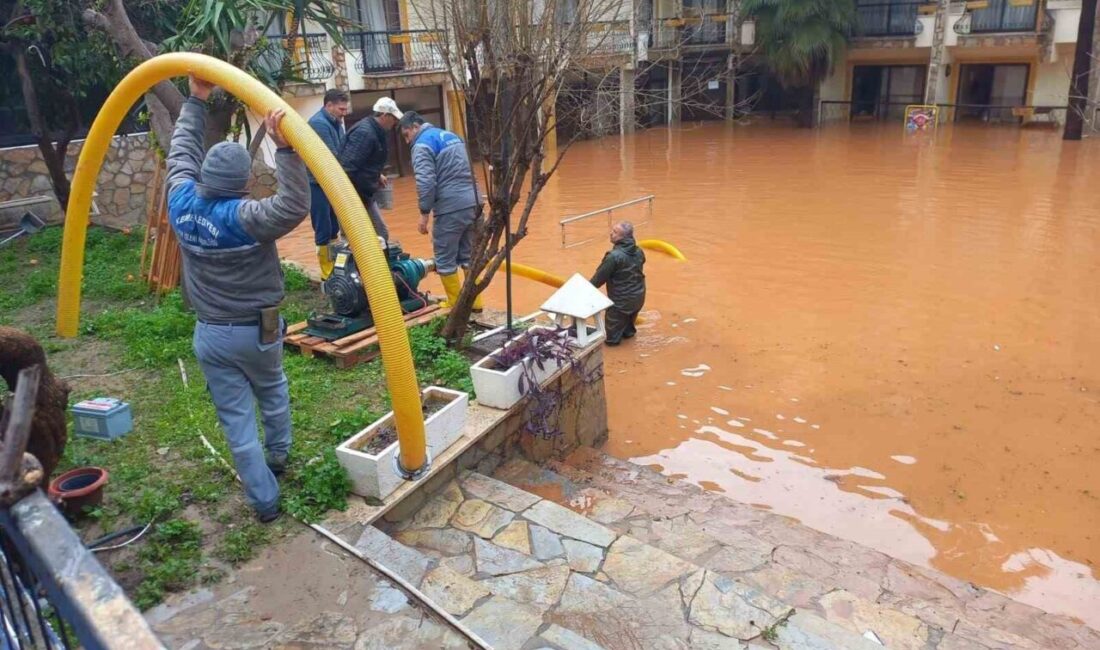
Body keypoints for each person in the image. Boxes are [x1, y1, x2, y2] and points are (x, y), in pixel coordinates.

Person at [165, 75, 311, 523]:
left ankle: (265, 502)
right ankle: (281, 456)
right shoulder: (246, 218)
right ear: (243, 183)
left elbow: (179, 155)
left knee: (235, 420)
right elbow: (293, 206)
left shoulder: (180, 201)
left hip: (210, 333)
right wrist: (286, 149)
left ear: (205, 177)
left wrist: (196, 98)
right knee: (272, 388)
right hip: (257, 328)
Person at [398, 111, 483, 312]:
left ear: (415, 127)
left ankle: (455, 305)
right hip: (474, 201)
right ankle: (476, 304)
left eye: (406, 134)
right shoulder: (452, 136)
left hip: (450, 207)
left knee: (444, 258)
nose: (407, 140)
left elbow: (426, 181)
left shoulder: (422, 145)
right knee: (469, 256)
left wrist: (424, 213)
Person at [337, 97, 401, 247]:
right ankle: (369, 268)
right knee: (378, 234)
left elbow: (363, 159)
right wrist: (349, 200)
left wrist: (377, 174)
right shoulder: (365, 133)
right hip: (355, 194)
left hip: (364, 192)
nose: (395, 123)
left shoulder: (375, 130)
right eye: (393, 118)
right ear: (384, 115)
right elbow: (348, 166)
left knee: (379, 234)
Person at [307, 89, 349, 277]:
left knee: (333, 225)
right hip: (316, 183)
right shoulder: (319, 124)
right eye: (341, 108)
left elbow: (342, 148)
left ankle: (336, 265)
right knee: (323, 225)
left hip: (329, 182)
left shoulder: (336, 122)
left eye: (345, 109)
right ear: (328, 105)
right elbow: (333, 154)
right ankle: (326, 270)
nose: (344, 112)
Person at [590, 221, 646, 346]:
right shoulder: (639, 251)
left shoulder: (613, 257)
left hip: (620, 305)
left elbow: (597, 280)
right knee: (629, 333)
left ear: (624, 237)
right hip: (638, 298)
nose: (611, 233)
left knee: (612, 341)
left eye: (615, 232)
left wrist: (582, 289)